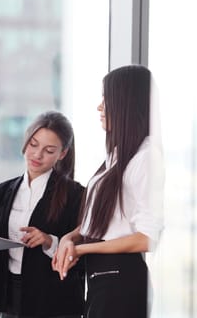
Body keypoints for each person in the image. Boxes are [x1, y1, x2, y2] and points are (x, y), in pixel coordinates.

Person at [52, 65, 164, 318]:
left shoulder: (146, 158)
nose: (100, 107)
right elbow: (103, 222)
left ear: (125, 103)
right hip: (102, 276)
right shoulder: (117, 156)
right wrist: (70, 238)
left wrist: (80, 250)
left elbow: (146, 237)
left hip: (121, 278)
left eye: (107, 98)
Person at [0, 111, 85, 318]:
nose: (37, 155)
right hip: (8, 297)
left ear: (62, 154)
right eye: (33, 144)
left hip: (51, 300)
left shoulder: (75, 194)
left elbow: (79, 257)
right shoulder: (3, 191)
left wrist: (49, 241)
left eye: (49, 150)